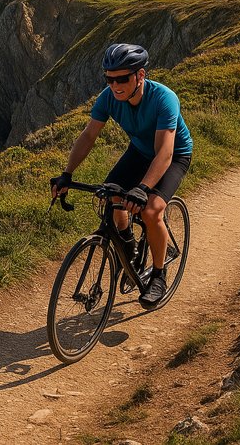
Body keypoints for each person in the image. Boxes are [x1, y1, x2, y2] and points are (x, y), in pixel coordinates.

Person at [50, 43, 193, 308]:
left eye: (122, 79)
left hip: (173, 155)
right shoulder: (108, 98)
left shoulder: (164, 99)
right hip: (139, 152)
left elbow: (164, 153)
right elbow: (89, 135)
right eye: (109, 78)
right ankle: (130, 254)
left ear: (140, 76)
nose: (115, 85)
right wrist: (66, 174)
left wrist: (142, 188)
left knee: (151, 211)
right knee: (113, 198)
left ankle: (159, 276)